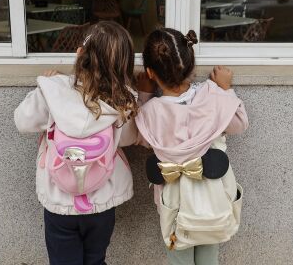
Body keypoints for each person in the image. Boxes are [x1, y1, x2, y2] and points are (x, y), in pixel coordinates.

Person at [14, 21, 142, 265]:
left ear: (79, 54)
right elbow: (128, 138)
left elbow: (22, 121)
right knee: (95, 260)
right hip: (102, 201)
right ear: (123, 64)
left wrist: (43, 86)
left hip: (59, 202)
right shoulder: (124, 100)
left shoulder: (53, 90)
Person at [135, 28, 249, 265]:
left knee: (179, 257)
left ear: (149, 72)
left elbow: (141, 136)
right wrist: (225, 89)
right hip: (213, 198)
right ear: (192, 65)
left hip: (174, 203)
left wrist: (144, 94)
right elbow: (239, 124)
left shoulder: (150, 112)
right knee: (209, 255)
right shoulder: (211, 95)